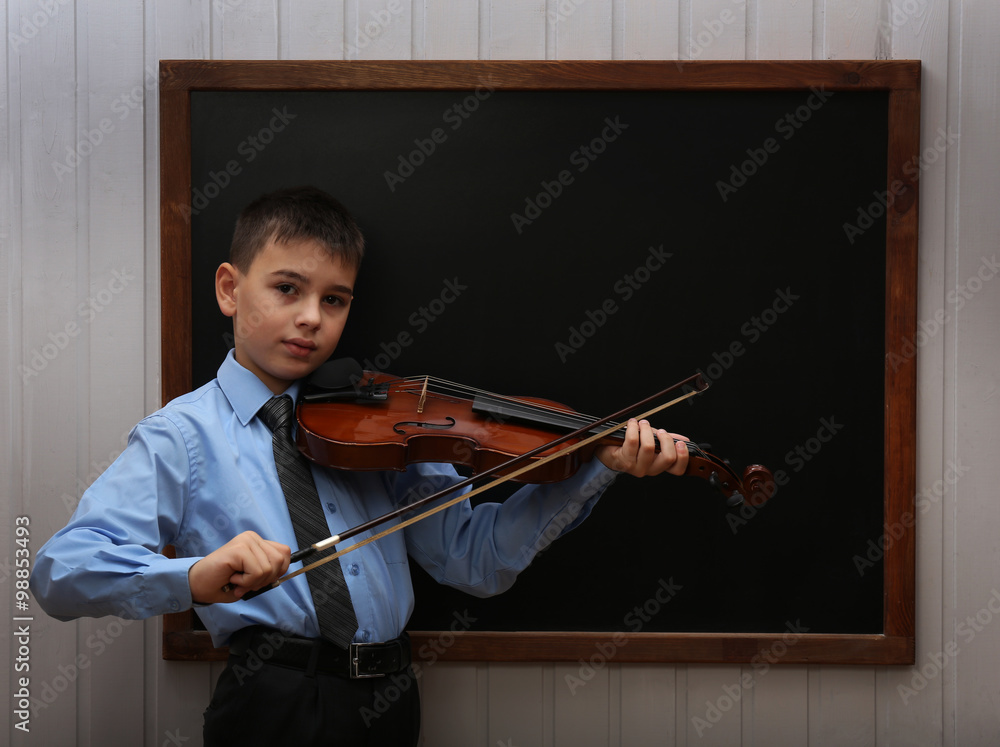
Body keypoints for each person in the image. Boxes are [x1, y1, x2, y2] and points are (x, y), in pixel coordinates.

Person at [31, 186, 689, 746]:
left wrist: (591, 466)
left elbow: (476, 561)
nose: (311, 318)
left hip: (389, 694)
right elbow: (59, 571)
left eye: (336, 299)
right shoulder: (182, 435)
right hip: (273, 702)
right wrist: (193, 576)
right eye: (287, 288)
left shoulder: (384, 423)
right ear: (230, 289)